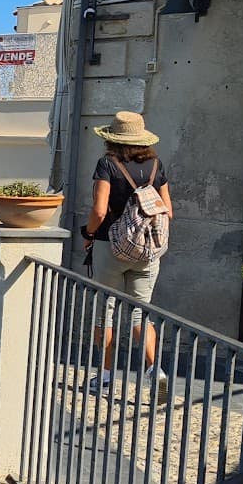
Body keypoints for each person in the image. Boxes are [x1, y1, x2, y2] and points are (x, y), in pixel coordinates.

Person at [82, 111, 174, 395]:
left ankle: (106, 377)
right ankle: (154, 370)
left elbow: (99, 210)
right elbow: (168, 211)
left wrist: (88, 234)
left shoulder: (107, 164)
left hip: (110, 246)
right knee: (140, 313)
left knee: (104, 313)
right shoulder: (156, 165)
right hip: (147, 250)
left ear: (112, 139)